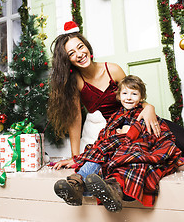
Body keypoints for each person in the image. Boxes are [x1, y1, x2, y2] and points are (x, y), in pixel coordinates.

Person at [54, 75, 182, 212]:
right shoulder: (116, 115)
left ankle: (114, 189)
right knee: (98, 151)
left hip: (136, 145)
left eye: (134, 94)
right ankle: (77, 183)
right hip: (114, 145)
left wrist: (130, 132)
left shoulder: (144, 112)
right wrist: (115, 134)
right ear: (119, 97)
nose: (128, 97)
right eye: (125, 93)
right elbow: (104, 135)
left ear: (141, 98)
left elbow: (155, 133)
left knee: (133, 157)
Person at [48, 21, 161, 170]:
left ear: (87, 46)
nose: (80, 54)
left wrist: (149, 107)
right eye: (71, 53)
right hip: (108, 133)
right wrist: (75, 156)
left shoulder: (113, 69)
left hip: (130, 122)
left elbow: (134, 97)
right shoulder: (76, 82)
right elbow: (75, 118)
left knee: (174, 140)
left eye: (80, 47)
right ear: (67, 61)